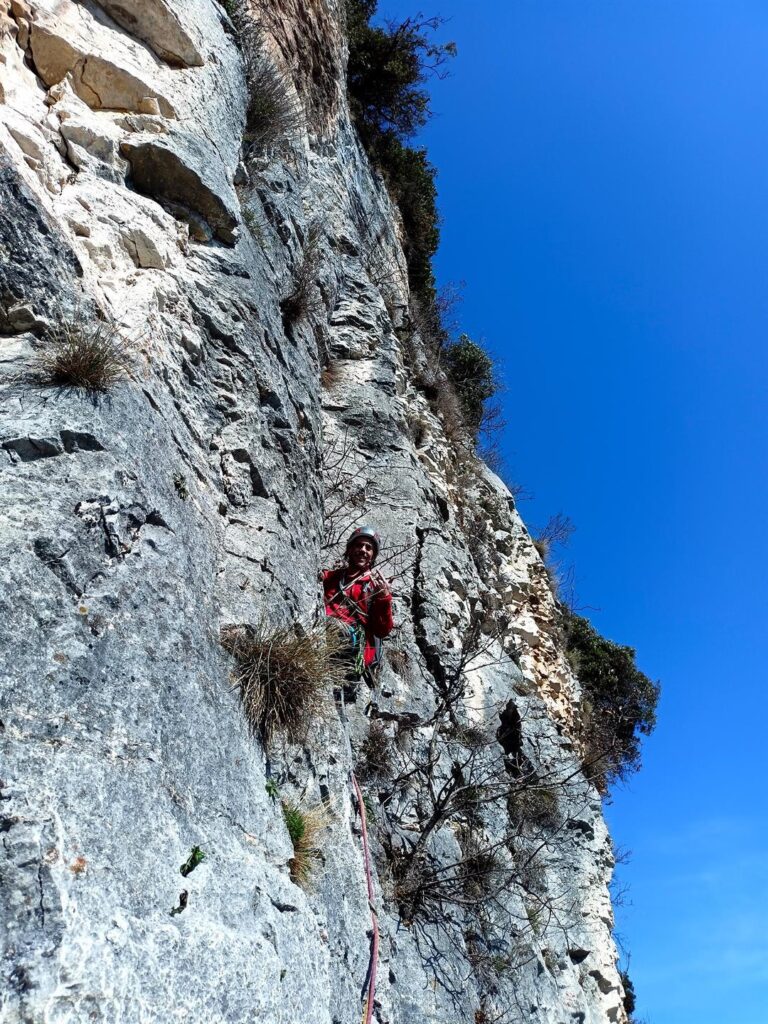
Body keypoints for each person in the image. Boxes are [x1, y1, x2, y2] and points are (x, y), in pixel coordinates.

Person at [323, 526, 394, 679]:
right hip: (325, 632)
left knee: (332, 627)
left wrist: (384, 598)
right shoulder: (332, 577)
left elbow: (382, 630)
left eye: (368, 548)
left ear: (373, 556)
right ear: (349, 550)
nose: (363, 550)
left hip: (351, 645)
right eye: (359, 545)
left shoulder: (375, 587)